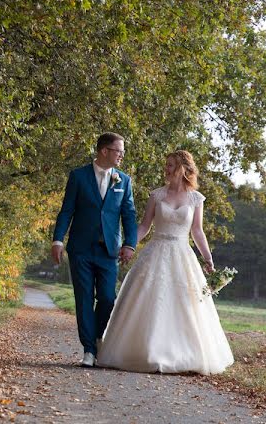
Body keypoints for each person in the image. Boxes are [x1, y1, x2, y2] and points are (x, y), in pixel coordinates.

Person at [97, 150, 234, 374]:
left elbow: (197, 231)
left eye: (171, 165)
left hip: (183, 254)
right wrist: (128, 245)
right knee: (150, 300)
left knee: (184, 303)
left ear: (183, 168)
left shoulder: (195, 198)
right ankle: (144, 351)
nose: (166, 169)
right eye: (166, 164)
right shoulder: (157, 195)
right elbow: (144, 226)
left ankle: (184, 354)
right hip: (156, 251)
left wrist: (208, 258)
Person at [52, 132, 138, 367]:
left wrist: (130, 244)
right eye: (118, 150)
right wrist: (57, 240)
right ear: (104, 151)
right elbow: (66, 210)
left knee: (108, 298)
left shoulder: (124, 181)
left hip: (109, 251)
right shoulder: (78, 176)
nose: (122, 155)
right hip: (80, 249)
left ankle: (99, 338)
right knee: (84, 299)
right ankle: (89, 350)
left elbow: (129, 215)